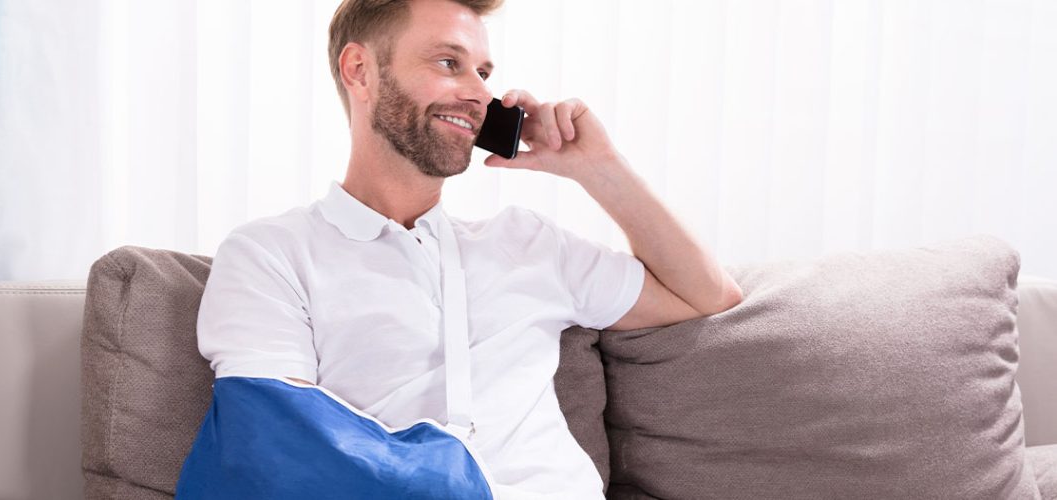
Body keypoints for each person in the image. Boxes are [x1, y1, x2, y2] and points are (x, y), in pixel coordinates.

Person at [194, 0, 744, 497]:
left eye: (484, 73)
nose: (480, 93)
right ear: (359, 71)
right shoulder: (271, 255)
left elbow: (708, 295)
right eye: (447, 63)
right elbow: (271, 445)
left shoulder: (529, 244)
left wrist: (599, 169)